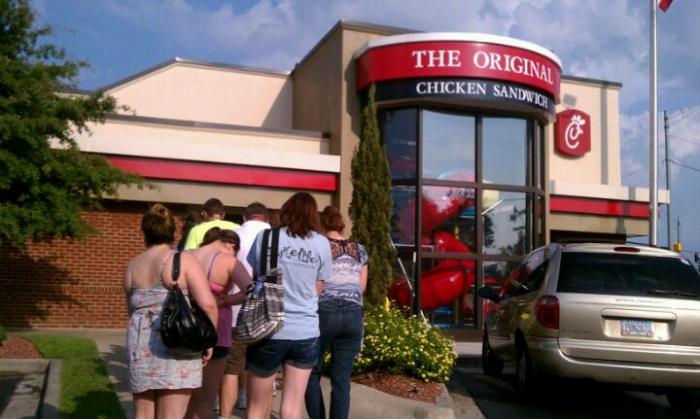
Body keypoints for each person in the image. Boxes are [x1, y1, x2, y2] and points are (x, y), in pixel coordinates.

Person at [124, 204, 218, 419]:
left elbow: (131, 310)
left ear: (144, 232)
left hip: (140, 343)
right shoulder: (182, 260)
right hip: (176, 339)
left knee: (143, 413)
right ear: (172, 232)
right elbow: (208, 304)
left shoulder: (132, 266)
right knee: (172, 414)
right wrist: (208, 340)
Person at [245, 192, 332, 419]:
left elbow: (257, 275)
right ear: (314, 215)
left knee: (256, 407)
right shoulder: (322, 244)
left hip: (268, 328)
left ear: (286, 210)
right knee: (293, 407)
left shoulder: (266, 237)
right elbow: (318, 289)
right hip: (305, 331)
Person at [304, 206, 368, 419]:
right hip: (353, 314)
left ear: (322, 225)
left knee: (311, 373)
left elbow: (313, 284)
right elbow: (361, 287)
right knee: (342, 379)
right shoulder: (359, 249)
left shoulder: (318, 247)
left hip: (324, 311)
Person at [185, 227, 251, 419]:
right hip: (215, 329)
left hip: (185, 328)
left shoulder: (187, 256)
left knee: (185, 397)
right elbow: (251, 290)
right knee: (205, 398)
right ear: (230, 245)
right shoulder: (227, 261)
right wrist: (226, 300)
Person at [219, 202, 271, 417]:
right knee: (264, 372)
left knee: (231, 369)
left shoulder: (233, 236)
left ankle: (224, 415)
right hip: (266, 313)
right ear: (267, 218)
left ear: (244, 217)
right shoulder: (277, 237)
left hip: (234, 310)